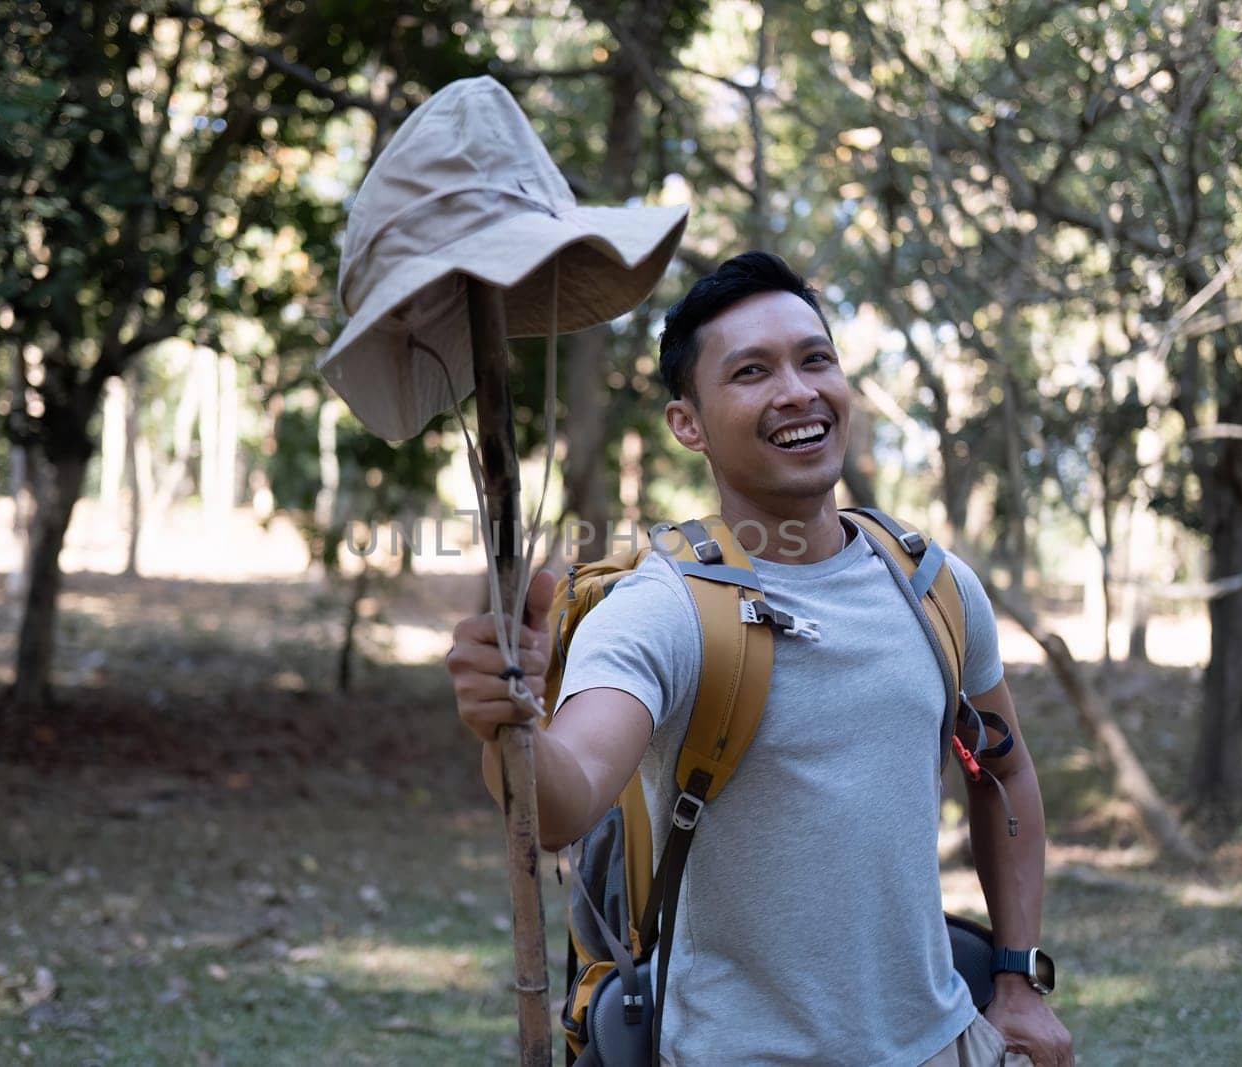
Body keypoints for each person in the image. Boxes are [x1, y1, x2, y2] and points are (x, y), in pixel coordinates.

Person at [447, 252, 1074, 1067]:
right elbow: (561, 803)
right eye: (751, 371)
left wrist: (1018, 976)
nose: (797, 391)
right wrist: (511, 724)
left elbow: (1003, 772)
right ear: (688, 423)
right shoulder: (662, 607)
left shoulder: (935, 586)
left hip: (944, 1044)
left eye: (815, 359)